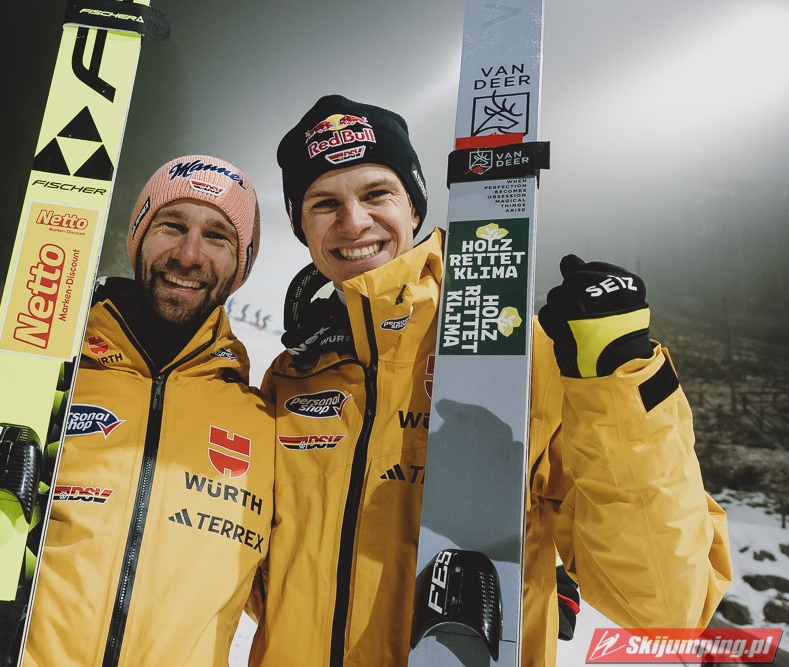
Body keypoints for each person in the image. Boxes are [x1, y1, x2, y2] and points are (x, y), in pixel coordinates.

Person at [248, 95, 732, 666]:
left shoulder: (513, 353)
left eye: (377, 193)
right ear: (301, 227)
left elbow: (665, 605)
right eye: (324, 203)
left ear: (414, 206)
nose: (353, 222)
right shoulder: (292, 376)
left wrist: (617, 378)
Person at [0, 155, 274, 665]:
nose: (189, 254)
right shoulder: (37, 390)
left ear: (240, 264)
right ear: (138, 236)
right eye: (171, 225)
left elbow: (294, 606)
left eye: (217, 236)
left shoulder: (265, 427)